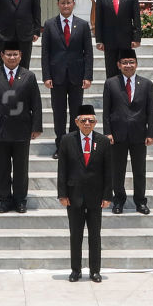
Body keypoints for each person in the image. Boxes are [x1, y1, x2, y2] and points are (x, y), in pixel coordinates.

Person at [0, 40, 43, 213]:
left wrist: (36, 126)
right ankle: (5, 199)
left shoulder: (28, 76)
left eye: (15, 54)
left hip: (22, 129)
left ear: (21, 56)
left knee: (21, 167)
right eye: (8, 54)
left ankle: (20, 200)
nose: (12, 57)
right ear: (2, 55)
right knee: (1, 167)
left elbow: (36, 103)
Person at [57, 104, 111, 283]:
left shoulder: (102, 141)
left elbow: (108, 171)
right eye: (83, 120)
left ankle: (95, 271)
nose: (87, 123)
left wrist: (107, 196)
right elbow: (62, 169)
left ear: (95, 122)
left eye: (91, 120)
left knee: (95, 235)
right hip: (74, 196)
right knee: (76, 235)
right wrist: (62, 194)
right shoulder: (67, 140)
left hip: (96, 197)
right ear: (76, 122)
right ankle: (76, 270)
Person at [103, 48, 153, 215]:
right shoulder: (111, 83)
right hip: (117, 134)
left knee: (139, 170)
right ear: (118, 65)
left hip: (139, 134)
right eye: (124, 62)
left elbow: (151, 110)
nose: (128, 65)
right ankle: (118, 200)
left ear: (136, 64)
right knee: (117, 170)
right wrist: (107, 132)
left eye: (131, 62)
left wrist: (151, 133)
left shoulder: (146, 84)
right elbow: (106, 110)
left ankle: (140, 201)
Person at [41, 0, 93, 153]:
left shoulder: (83, 25)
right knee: (59, 113)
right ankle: (60, 145)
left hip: (77, 76)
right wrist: (46, 76)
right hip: (57, 76)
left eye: (68, 2)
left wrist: (88, 76)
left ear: (73, 4)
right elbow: (45, 53)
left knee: (76, 112)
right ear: (58, 4)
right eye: (62, 3)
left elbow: (88, 53)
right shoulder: (50, 25)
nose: (65, 6)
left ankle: (74, 144)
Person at [91, 0, 141, 81]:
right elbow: (99, 20)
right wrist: (99, 40)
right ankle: (112, 96)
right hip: (109, 42)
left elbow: (136, 17)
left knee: (126, 70)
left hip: (127, 41)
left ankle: (126, 95)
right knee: (111, 71)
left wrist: (137, 38)